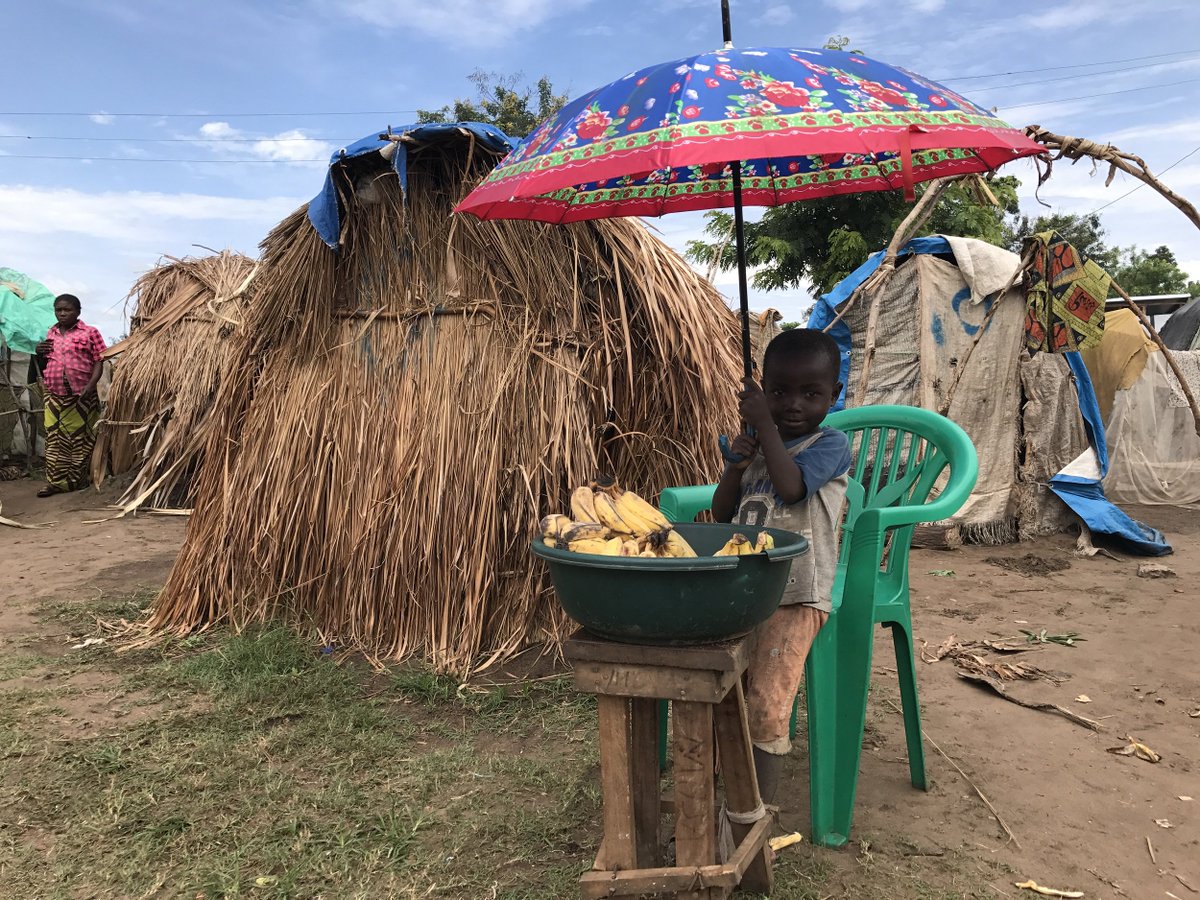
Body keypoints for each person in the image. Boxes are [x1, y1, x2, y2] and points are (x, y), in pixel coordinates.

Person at [711, 328, 850, 805]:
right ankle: (727, 791)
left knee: (768, 705)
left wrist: (765, 429)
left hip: (796, 594)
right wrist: (734, 467)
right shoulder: (754, 450)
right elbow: (721, 514)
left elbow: (791, 489)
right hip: (745, 592)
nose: (794, 404)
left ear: (835, 394)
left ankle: (756, 815)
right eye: (779, 392)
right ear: (763, 391)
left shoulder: (831, 445)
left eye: (811, 393)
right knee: (728, 691)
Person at [34, 294, 106, 497]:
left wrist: (91, 385)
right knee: (55, 439)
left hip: (81, 396)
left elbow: (99, 360)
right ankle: (54, 483)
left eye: (67, 310)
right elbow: (45, 362)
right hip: (54, 395)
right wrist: (38, 351)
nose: (63, 313)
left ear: (78, 312)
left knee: (79, 439)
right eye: (59, 310)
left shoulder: (90, 332)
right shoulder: (51, 333)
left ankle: (77, 481)